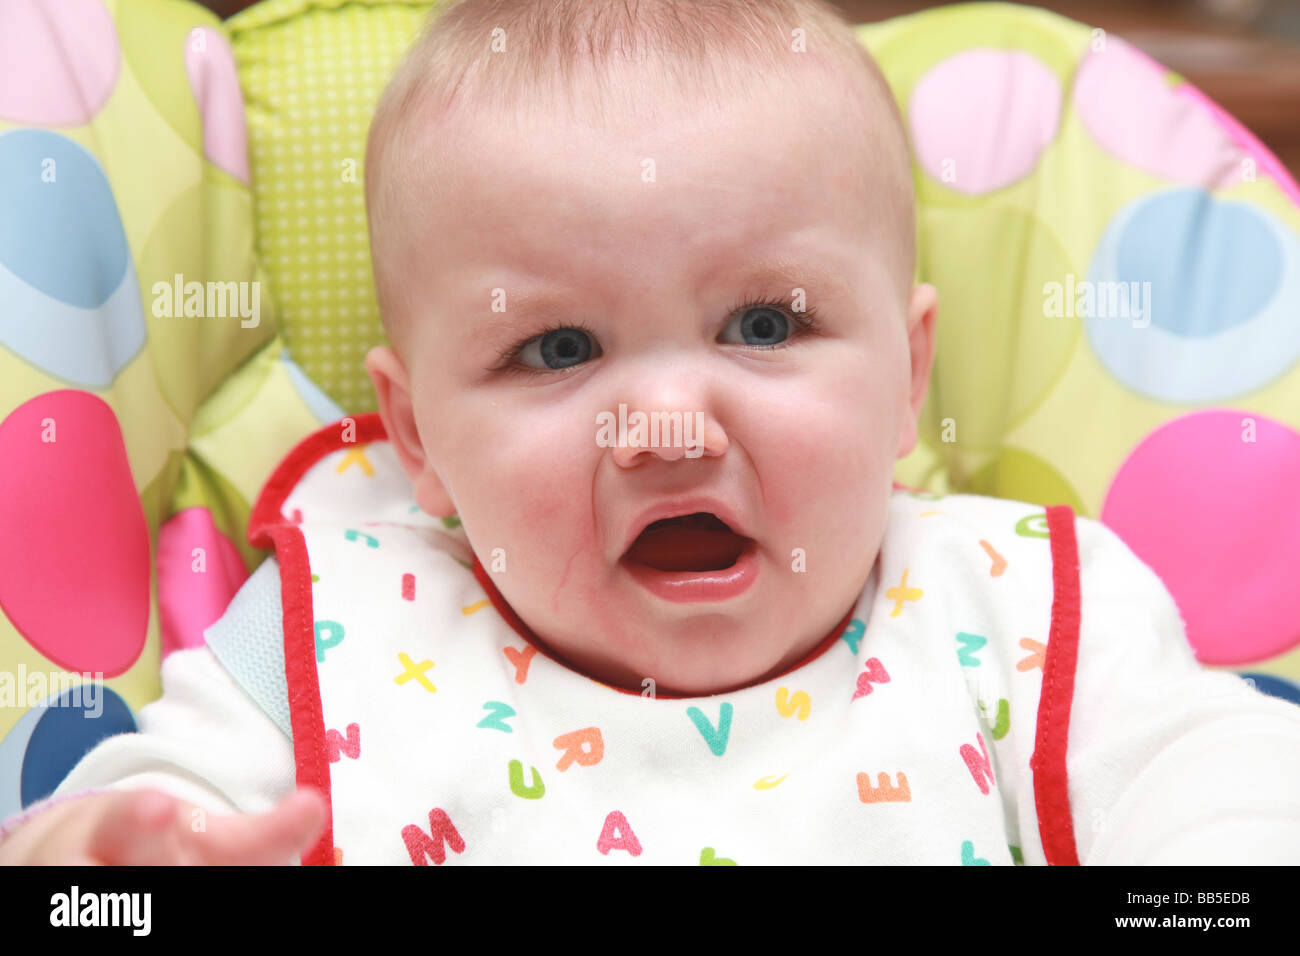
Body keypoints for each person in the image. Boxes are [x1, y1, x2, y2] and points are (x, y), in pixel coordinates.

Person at [3, 0, 1299, 865]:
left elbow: (1227, 792)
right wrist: (112, 861)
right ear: (416, 435)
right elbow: (92, 854)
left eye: (766, 324)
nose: (667, 423)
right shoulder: (338, 624)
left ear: (911, 376)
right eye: (557, 349)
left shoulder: (1015, 608)